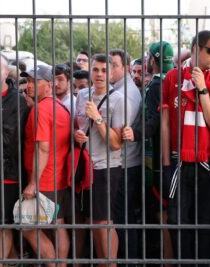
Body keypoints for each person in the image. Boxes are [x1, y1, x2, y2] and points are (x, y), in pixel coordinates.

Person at [162, 30, 210, 264]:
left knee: (205, 222)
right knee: (177, 222)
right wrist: (166, 164)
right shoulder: (171, 77)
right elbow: (165, 123)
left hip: (207, 162)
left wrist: (201, 89)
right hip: (179, 162)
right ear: (195, 49)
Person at [123, 41, 175, 265]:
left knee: (162, 214)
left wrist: (134, 132)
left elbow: (156, 121)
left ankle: (167, 259)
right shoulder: (173, 80)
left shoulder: (156, 85)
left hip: (158, 160)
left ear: (152, 60)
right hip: (171, 155)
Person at [75, 54, 124, 267]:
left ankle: (110, 264)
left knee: (104, 222)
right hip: (85, 165)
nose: (99, 74)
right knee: (92, 222)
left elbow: (115, 143)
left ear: (112, 73)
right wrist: (77, 134)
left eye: (104, 70)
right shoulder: (82, 94)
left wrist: (98, 117)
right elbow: (77, 126)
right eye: (95, 70)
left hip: (107, 167)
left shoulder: (118, 99)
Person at [21, 65, 71, 267]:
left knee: (28, 228)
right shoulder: (59, 106)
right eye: (28, 81)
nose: (29, 85)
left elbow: (43, 148)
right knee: (58, 225)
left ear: (49, 85)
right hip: (58, 176)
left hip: (45, 180)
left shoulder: (41, 110)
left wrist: (33, 183)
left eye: (34, 81)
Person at [0, 54, 27, 267]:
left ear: (7, 73)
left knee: (3, 225)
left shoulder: (16, 100)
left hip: (7, 172)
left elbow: (8, 138)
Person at [108, 48, 142, 264]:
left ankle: (128, 260)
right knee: (122, 217)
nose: (109, 70)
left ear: (126, 68)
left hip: (124, 165)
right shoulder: (121, 89)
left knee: (123, 218)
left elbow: (119, 137)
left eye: (113, 65)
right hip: (125, 163)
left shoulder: (126, 94)